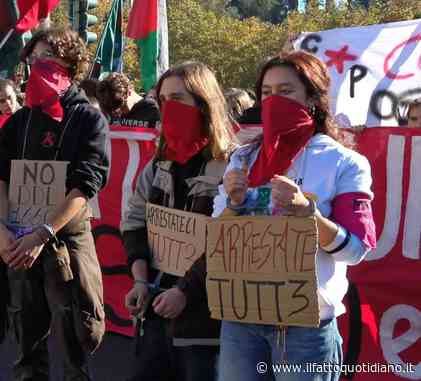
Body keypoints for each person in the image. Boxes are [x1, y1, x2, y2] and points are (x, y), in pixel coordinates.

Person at [214, 51, 376, 381]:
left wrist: (309, 214)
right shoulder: (242, 159)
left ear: (313, 99)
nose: (274, 100)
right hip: (241, 320)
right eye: (267, 93)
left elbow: (356, 249)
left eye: (286, 92)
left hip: (305, 327)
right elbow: (215, 239)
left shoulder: (343, 162)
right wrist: (233, 202)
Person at [0, 26, 108, 381]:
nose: (39, 66)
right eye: (35, 59)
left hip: (64, 246)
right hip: (19, 243)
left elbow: (85, 187)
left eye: (49, 59)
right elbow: (3, 180)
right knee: (26, 341)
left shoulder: (89, 119)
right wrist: (0, 228)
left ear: (70, 66)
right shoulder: (19, 122)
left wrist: (43, 233)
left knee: (76, 341)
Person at [121, 62, 237, 381]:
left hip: (207, 323)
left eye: (178, 99)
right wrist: (140, 279)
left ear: (204, 103)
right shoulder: (158, 166)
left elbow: (230, 239)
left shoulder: (232, 166)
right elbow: (134, 222)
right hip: (156, 311)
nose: (168, 108)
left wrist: (185, 290)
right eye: (163, 100)